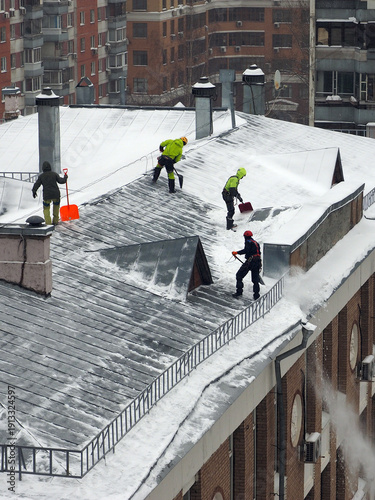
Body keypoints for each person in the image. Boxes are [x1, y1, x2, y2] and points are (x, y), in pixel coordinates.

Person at [232, 230, 262, 300]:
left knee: (239, 275)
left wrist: (237, 252)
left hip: (250, 261)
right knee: (255, 280)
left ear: (245, 237)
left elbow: (246, 251)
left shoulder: (248, 242)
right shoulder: (256, 243)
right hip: (257, 262)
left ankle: (239, 292)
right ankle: (256, 295)